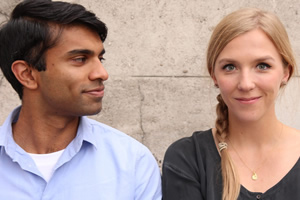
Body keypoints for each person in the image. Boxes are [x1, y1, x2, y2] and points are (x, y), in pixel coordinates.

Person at [0, 0, 161, 199]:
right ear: (27, 74)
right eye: (80, 59)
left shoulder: (133, 162)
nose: (101, 73)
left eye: (100, 59)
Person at [162, 7, 300, 200]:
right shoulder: (187, 158)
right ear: (214, 75)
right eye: (230, 67)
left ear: (286, 72)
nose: (245, 83)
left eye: (262, 66)